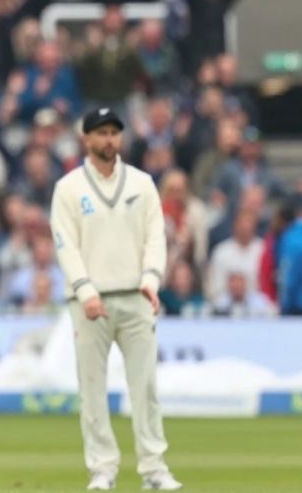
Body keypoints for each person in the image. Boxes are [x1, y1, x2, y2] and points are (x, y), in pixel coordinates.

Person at [50, 107, 181, 491]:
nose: (109, 139)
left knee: (146, 387)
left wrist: (151, 280)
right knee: (92, 389)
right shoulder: (69, 188)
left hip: (137, 296)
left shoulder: (141, 184)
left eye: (114, 132)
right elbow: (66, 245)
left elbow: (156, 237)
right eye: (101, 133)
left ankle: (154, 468)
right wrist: (86, 291)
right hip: (89, 303)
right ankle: (102, 469)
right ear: (86, 138)